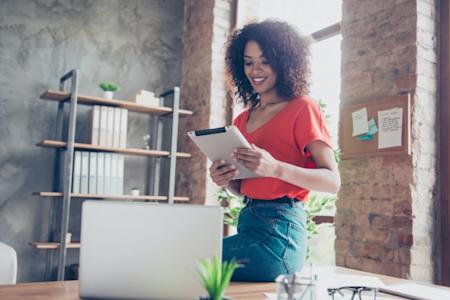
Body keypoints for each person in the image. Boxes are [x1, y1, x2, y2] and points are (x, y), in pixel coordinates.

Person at [209, 20, 341, 282]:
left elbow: (333, 181)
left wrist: (275, 167)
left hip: (280, 236)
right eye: (248, 62)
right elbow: (245, 188)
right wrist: (226, 180)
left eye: (265, 61)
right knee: (190, 266)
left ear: (284, 61)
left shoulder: (303, 108)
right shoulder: (241, 121)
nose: (255, 70)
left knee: (187, 257)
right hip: (249, 224)